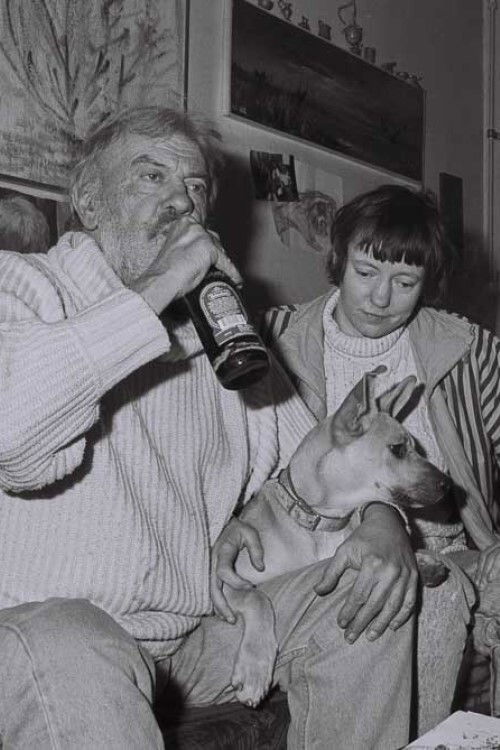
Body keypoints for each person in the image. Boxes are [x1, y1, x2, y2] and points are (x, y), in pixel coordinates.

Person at [0, 109, 469, 750]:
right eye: (152, 176)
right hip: (39, 637)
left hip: (188, 642)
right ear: (87, 199)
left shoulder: (222, 344)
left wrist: (381, 519)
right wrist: (162, 283)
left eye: (194, 186)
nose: (180, 201)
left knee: (378, 590)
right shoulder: (22, 286)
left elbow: (324, 457)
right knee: (72, 640)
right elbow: (15, 436)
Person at [255, 183, 500, 727]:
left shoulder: (470, 351)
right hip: (322, 550)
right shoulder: (273, 338)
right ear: (338, 260)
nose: (380, 298)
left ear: (428, 284)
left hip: (452, 544)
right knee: (422, 599)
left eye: (405, 282)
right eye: (365, 272)